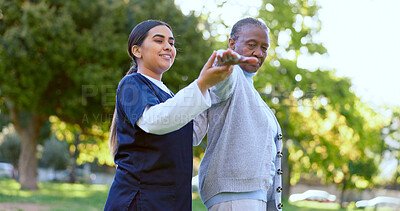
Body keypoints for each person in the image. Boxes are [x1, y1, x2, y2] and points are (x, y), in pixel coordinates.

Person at [104, 20, 257, 211]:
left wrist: (216, 83)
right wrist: (201, 84)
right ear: (137, 51)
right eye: (159, 41)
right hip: (140, 201)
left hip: (171, 201)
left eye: (171, 42)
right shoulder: (132, 84)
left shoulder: (169, 96)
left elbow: (192, 134)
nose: (168, 46)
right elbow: (155, 121)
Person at [195, 17, 284, 210]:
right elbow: (222, 84)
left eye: (264, 48)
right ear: (232, 44)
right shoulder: (229, 74)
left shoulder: (251, 90)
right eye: (252, 45)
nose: (258, 53)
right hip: (234, 197)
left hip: (254, 198)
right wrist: (224, 62)